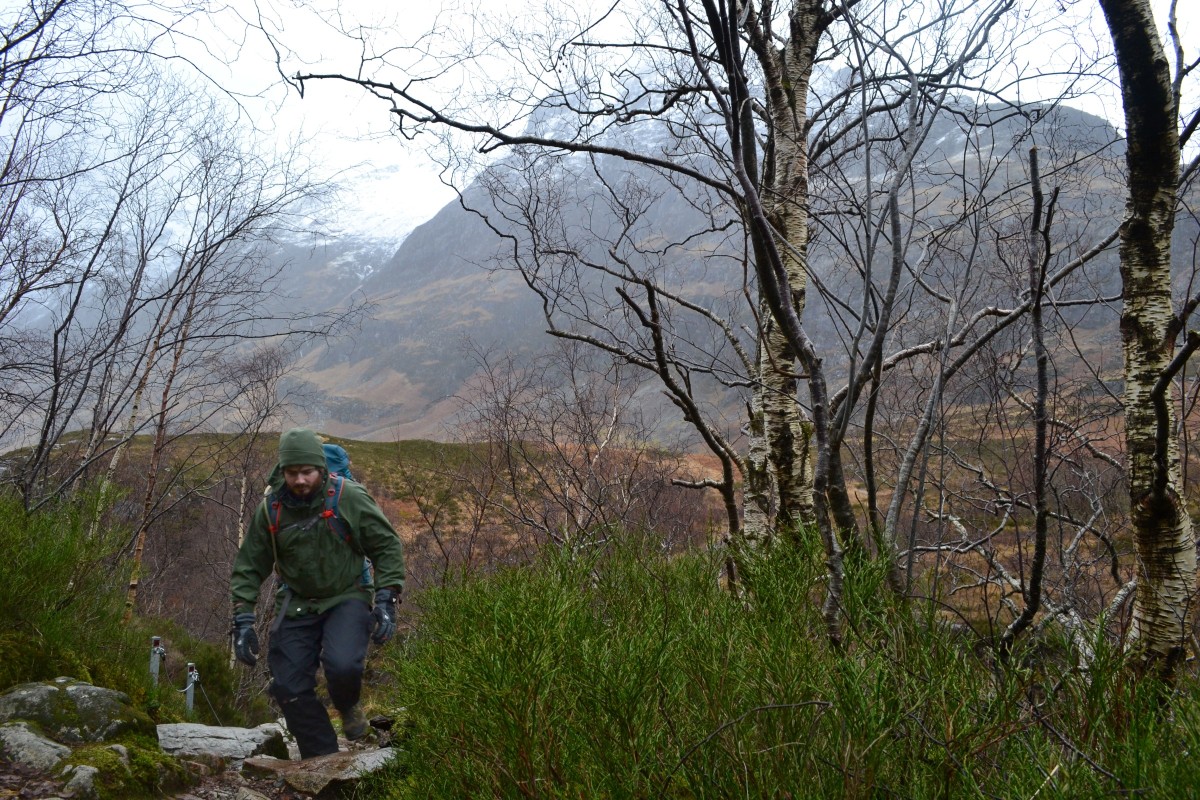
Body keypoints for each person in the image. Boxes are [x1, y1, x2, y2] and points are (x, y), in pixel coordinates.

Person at [230, 428, 405, 759]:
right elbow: (250, 565)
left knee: (342, 666)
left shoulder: (348, 497)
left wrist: (386, 599)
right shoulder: (271, 509)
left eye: (306, 472)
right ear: (283, 471)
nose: (299, 480)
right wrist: (242, 619)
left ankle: (348, 704)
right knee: (287, 687)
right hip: (297, 600)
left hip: (346, 593)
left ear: (321, 470)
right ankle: (321, 758)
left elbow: (386, 544)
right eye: (292, 472)